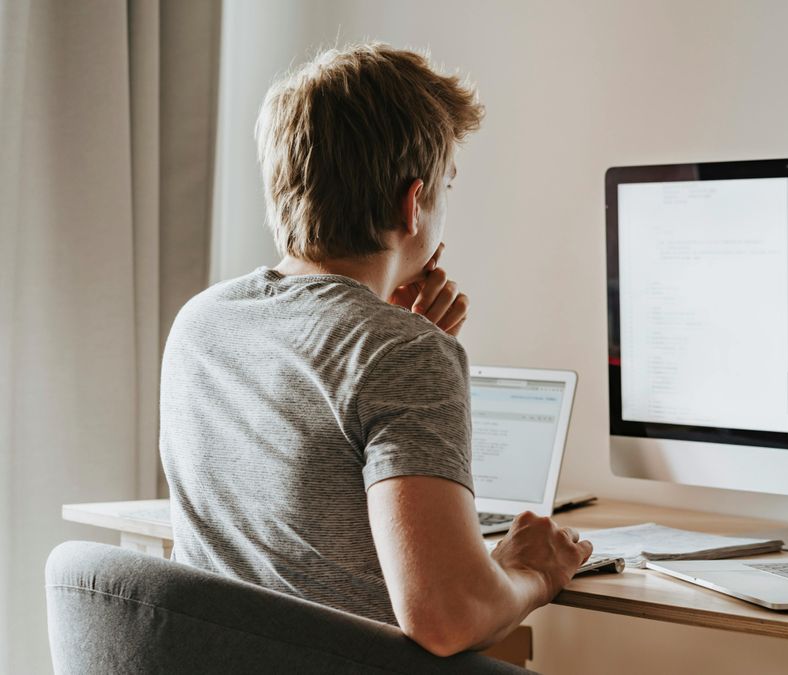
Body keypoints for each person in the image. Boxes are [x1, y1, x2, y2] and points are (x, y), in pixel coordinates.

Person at [159, 43, 592, 657]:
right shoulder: (400, 353)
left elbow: (307, 519)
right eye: (446, 186)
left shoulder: (200, 323)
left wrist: (392, 338)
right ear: (412, 204)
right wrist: (533, 572)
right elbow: (446, 618)